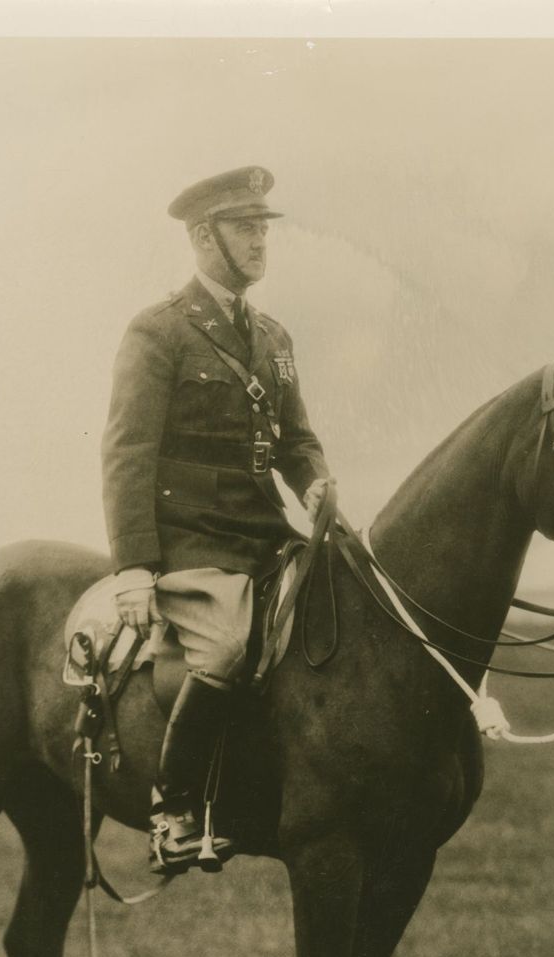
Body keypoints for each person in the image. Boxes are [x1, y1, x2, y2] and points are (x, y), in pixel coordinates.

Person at [101, 166, 333, 875]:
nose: (261, 241)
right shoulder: (159, 332)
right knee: (227, 647)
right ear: (204, 237)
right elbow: (127, 451)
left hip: (265, 537)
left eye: (264, 227)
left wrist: (316, 482)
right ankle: (173, 812)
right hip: (193, 546)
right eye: (245, 228)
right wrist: (136, 566)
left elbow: (294, 438)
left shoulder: (273, 336)